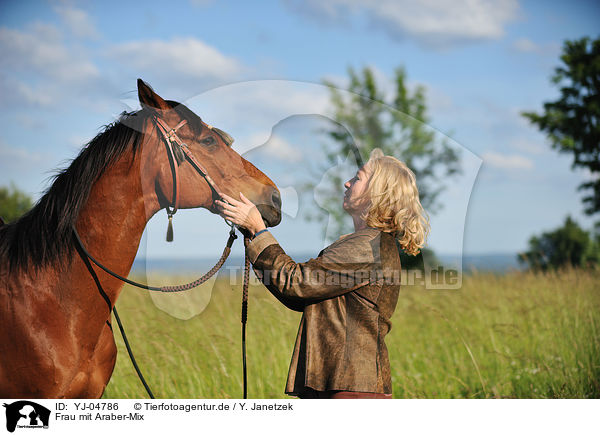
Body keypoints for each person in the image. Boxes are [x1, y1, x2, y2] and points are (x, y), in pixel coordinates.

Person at [216, 149, 429, 399]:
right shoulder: (366, 243)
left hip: (350, 391)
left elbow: (296, 282)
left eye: (358, 178)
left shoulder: (367, 247)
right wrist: (254, 235)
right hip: (340, 385)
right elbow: (299, 296)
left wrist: (259, 230)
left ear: (378, 193)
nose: (347, 182)